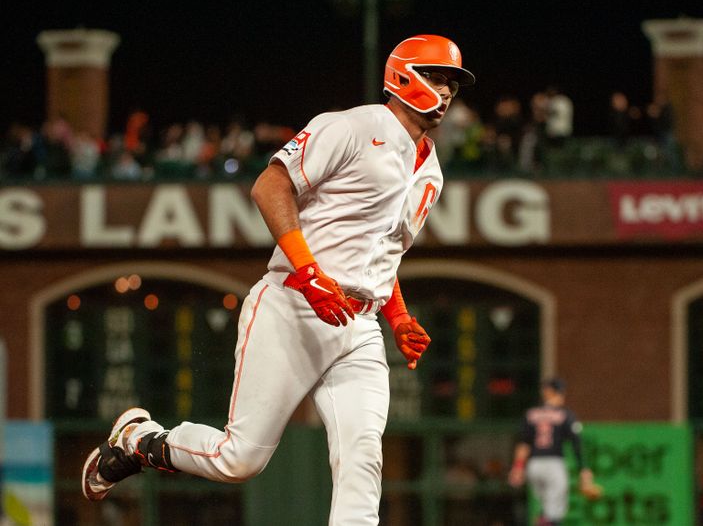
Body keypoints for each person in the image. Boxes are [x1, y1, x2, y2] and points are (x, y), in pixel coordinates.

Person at [80, 34, 475, 525]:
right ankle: (141, 441)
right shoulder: (351, 126)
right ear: (403, 75)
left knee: (362, 456)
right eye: (437, 76)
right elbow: (270, 186)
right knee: (238, 459)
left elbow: (383, 251)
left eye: (453, 82)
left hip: (359, 326)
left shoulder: (431, 167)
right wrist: (309, 274)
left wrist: (396, 314)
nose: (446, 91)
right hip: (292, 304)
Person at [507, 378, 596, 526]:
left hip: (534, 466)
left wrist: (517, 467)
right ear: (559, 393)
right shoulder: (565, 414)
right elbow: (576, 444)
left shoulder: (531, 414)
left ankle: (543, 520)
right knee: (554, 514)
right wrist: (583, 469)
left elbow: (523, 445)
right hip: (554, 465)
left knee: (547, 510)